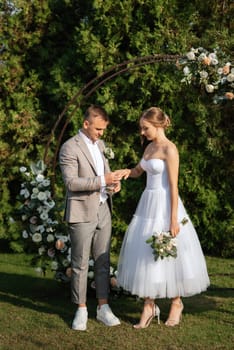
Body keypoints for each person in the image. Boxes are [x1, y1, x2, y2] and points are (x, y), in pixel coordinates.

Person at [115, 107, 210, 328]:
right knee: (147, 252)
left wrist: (173, 218)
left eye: (145, 127)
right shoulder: (149, 148)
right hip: (147, 204)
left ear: (157, 125)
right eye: (141, 128)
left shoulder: (170, 149)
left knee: (170, 255)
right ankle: (149, 305)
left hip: (165, 204)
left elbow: (174, 187)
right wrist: (125, 172)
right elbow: (140, 170)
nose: (142, 132)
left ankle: (176, 303)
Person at [59, 104, 122, 331]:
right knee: (80, 263)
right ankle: (81, 309)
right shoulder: (69, 148)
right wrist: (104, 180)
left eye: (103, 130)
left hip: (104, 209)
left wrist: (114, 184)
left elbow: (105, 175)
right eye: (98, 129)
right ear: (86, 124)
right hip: (82, 212)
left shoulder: (101, 145)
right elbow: (71, 183)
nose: (101, 134)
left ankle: (103, 308)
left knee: (103, 262)